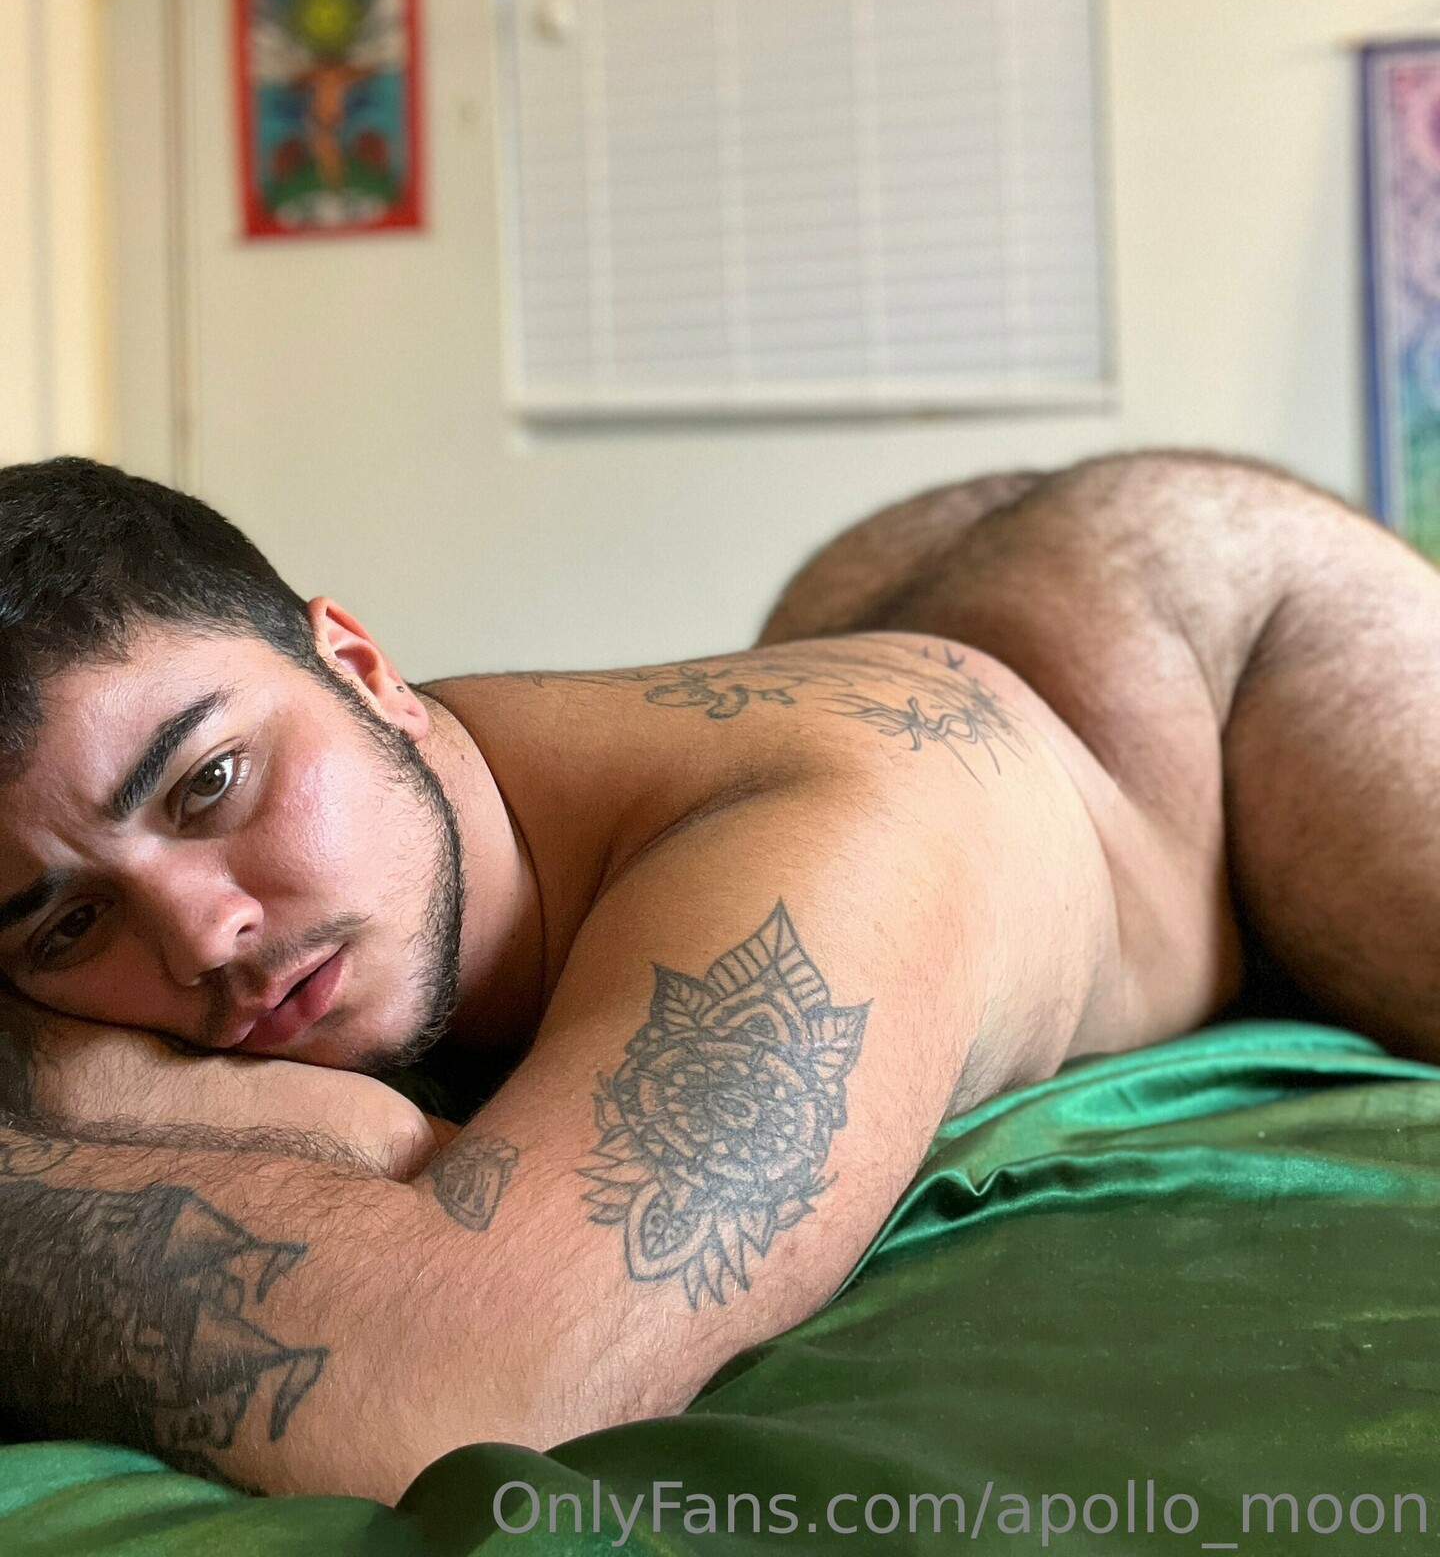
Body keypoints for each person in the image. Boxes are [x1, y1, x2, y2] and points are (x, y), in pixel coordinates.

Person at [0, 449, 1432, 1502]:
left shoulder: (821, 846)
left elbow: (488, 1385)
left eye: (210, 783)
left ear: (364, 667)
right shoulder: (376, 832)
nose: (201, 938)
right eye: (68, 925)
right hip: (886, 598)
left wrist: (82, 1091)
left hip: (1228, 642)